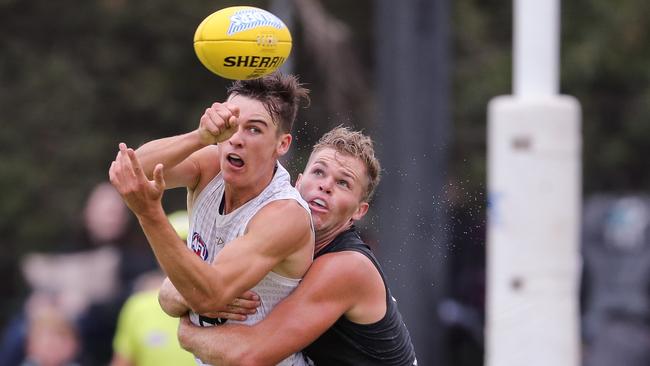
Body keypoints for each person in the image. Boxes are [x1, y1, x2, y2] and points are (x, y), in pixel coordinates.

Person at [108, 73, 314, 366]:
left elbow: (210, 296)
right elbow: (130, 168)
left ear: (282, 144)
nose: (236, 140)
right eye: (231, 125)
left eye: (254, 130)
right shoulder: (210, 165)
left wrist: (149, 214)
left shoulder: (284, 214)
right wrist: (200, 136)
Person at [175, 127, 418, 365]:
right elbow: (172, 292)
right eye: (319, 172)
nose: (325, 186)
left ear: (359, 211)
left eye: (343, 183)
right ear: (298, 182)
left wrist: (188, 335)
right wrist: (202, 291)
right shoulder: (274, 232)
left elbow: (250, 356)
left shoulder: (349, 267)